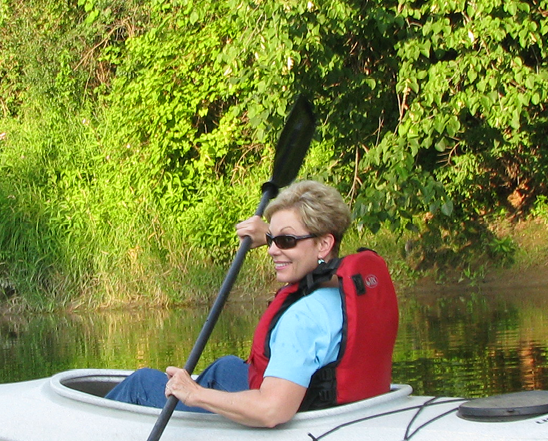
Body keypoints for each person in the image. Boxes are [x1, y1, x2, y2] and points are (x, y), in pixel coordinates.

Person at [105, 180, 398, 426]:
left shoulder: (303, 318)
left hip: (301, 417)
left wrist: (194, 394)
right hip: (340, 403)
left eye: (286, 241)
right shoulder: (350, 288)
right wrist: (274, 234)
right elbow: (300, 251)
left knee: (142, 383)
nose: (271, 250)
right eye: (271, 239)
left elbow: (272, 410)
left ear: (324, 244)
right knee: (226, 368)